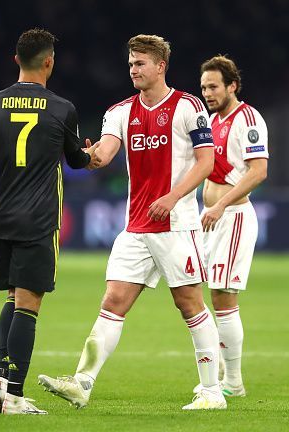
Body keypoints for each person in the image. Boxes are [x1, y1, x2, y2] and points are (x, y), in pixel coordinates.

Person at [38, 34, 226, 411]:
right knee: (113, 301)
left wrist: (173, 197)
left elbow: (207, 162)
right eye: (130, 64)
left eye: (140, 63)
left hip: (178, 225)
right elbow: (104, 154)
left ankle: (212, 392)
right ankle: (82, 383)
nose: (133, 70)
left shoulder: (189, 107)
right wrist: (85, 154)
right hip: (136, 227)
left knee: (188, 303)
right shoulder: (120, 112)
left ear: (161, 66)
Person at [0, 28, 100, 415]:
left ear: (15, 59)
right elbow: (75, 161)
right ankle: (14, 396)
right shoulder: (61, 109)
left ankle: (1, 382)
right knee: (29, 303)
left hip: (0, 216)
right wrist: (90, 154)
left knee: (12, 297)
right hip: (38, 218)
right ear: (49, 62)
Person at [197, 55, 269, 398]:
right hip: (211, 218)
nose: (208, 92)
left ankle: (233, 382)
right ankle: (225, 375)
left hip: (234, 216)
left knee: (223, 297)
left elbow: (258, 171)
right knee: (212, 295)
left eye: (213, 86)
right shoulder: (210, 121)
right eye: (203, 87)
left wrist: (221, 204)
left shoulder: (248, 118)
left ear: (232, 86)